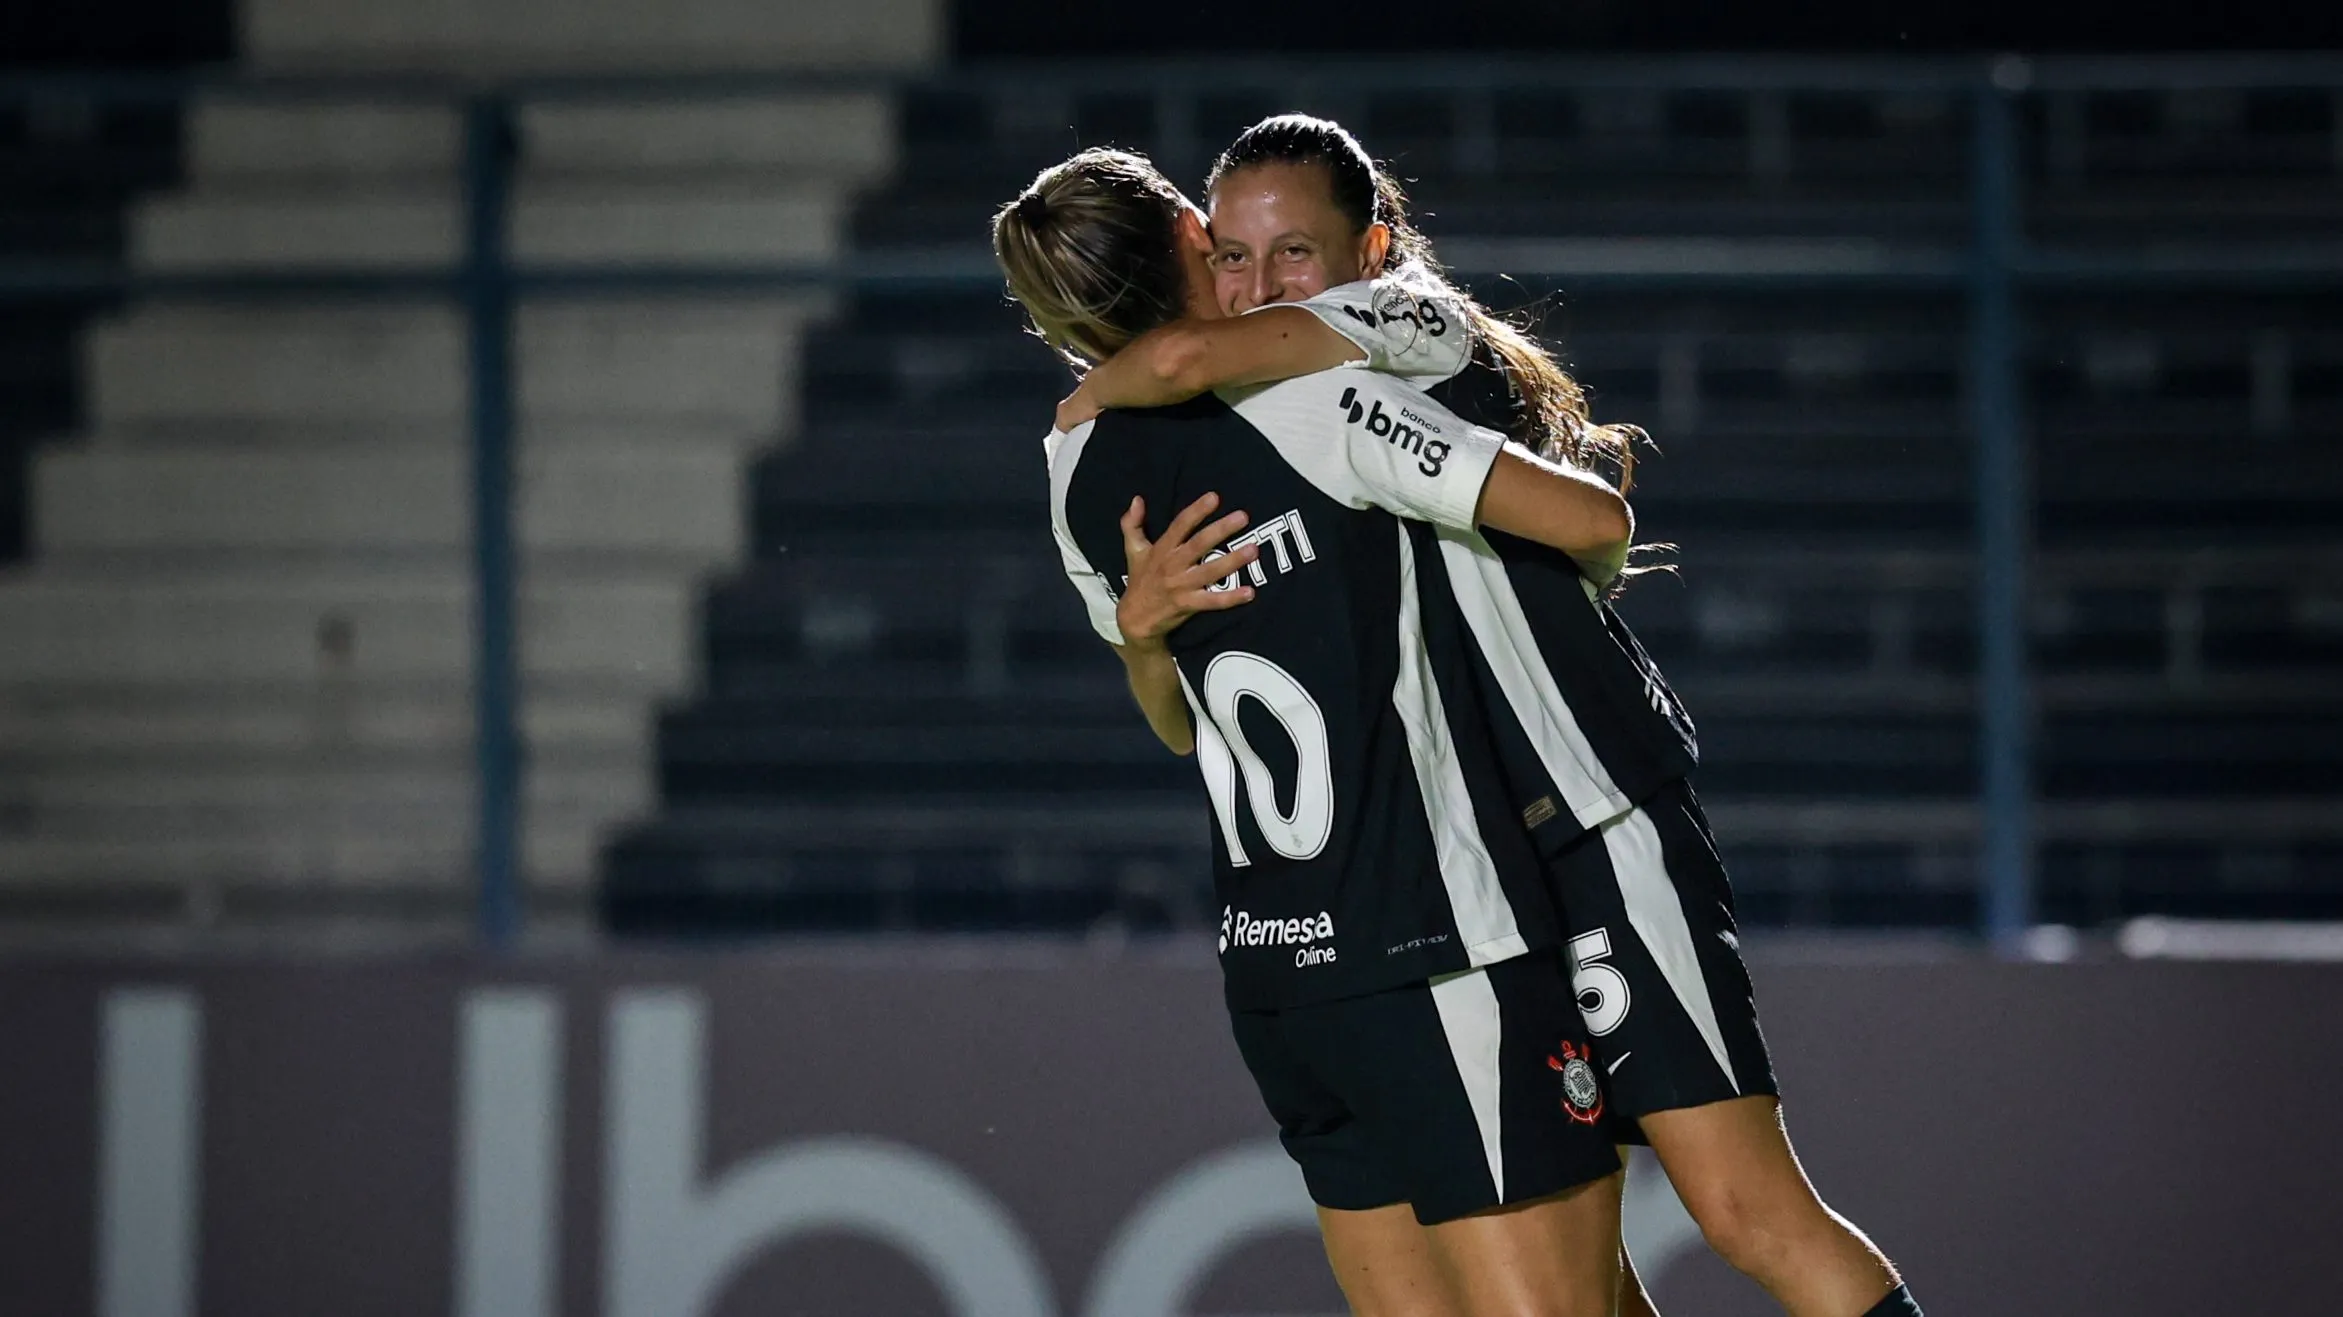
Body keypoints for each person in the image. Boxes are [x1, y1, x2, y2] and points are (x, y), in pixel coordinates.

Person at [1058, 114, 1925, 1317]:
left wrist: (1083, 387)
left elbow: (1177, 364)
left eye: (1293, 254)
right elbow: (1186, 723)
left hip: (1588, 818)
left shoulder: (1392, 325)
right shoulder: (1268, 409)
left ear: (1373, 248)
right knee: (1583, 1267)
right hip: (1471, 868)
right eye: (1236, 259)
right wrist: (1147, 632)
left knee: (1743, 1211)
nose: (1258, 290)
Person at [997, 146, 1646, 1317]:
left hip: (1281, 982)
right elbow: (1591, 517)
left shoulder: (1073, 467)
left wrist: (1143, 638)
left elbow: (1183, 732)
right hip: (1433, 946)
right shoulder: (1308, 394)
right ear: (1197, 235)